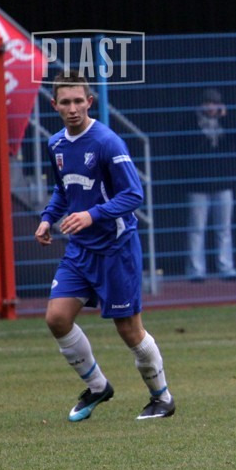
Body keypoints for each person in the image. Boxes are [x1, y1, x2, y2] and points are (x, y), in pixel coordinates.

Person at [34, 71, 175, 421]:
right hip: (80, 251)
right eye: (65, 102)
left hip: (116, 249)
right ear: (54, 105)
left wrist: (92, 215)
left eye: (78, 101)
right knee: (57, 318)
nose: (72, 108)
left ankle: (162, 398)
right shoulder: (56, 144)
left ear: (89, 102)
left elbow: (133, 194)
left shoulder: (107, 142)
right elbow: (64, 189)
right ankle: (98, 386)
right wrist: (48, 218)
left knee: (129, 330)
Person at [186, 88, 236, 282]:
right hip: (198, 185)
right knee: (197, 228)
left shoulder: (225, 124)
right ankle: (196, 271)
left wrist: (226, 119)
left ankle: (226, 267)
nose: (210, 107)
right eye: (207, 103)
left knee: (224, 228)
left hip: (223, 182)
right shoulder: (191, 124)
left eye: (214, 103)